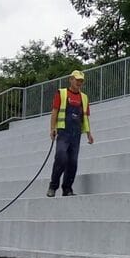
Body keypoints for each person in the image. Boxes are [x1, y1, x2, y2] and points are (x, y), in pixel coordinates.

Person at [47, 69, 94, 197]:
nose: (79, 82)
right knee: (61, 157)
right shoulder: (61, 93)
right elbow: (55, 111)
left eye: (81, 81)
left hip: (76, 133)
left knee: (73, 162)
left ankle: (67, 189)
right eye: (77, 80)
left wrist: (89, 133)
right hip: (63, 131)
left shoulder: (84, 97)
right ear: (71, 79)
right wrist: (52, 128)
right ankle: (53, 186)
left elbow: (85, 116)